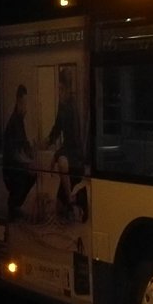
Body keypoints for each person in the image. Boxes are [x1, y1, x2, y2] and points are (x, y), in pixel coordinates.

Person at [46, 67, 87, 221]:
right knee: (58, 208)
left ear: (68, 89)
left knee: (62, 163)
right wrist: (48, 141)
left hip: (74, 158)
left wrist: (57, 155)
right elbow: (57, 128)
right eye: (59, 88)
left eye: (61, 89)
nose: (59, 92)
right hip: (68, 152)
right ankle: (71, 200)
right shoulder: (62, 105)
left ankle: (75, 200)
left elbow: (74, 142)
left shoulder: (72, 107)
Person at [3, 84, 36, 218]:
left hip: (15, 166)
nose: (26, 107)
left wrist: (31, 150)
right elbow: (15, 154)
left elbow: (24, 144)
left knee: (32, 173)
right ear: (18, 102)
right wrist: (29, 163)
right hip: (11, 170)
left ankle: (16, 204)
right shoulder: (14, 122)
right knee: (29, 174)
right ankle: (13, 204)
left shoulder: (19, 120)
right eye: (24, 103)